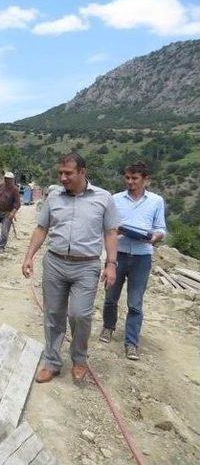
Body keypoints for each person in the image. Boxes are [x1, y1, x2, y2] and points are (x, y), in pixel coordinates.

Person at [22, 152, 120, 384]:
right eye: (60, 173)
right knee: (53, 314)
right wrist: (29, 256)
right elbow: (41, 228)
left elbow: (111, 232)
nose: (63, 178)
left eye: (69, 173)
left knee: (80, 314)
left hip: (86, 266)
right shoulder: (53, 197)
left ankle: (79, 359)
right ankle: (52, 362)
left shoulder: (104, 198)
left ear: (82, 172)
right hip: (55, 262)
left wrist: (111, 264)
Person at [99, 162, 166, 360]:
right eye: (127, 178)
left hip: (142, 257)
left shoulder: (156, 201)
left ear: (146, 179)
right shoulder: (115, 199)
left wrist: (154, 237)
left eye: (135, 178)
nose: (130, 182)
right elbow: (107, 226)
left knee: (135, 303)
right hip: (117, 255)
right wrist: (115, 231)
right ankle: (108, 327)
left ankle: (131, 342)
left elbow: (161, 228)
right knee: (111, 296)